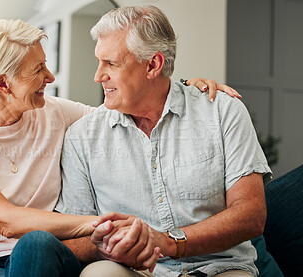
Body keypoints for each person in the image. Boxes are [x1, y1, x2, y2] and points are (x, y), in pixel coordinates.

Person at [0, 18, 232, 276]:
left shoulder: (53, 112)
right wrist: (99, 224)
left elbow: (122, 108)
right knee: (31, 241)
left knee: (36, 244)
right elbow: (7, 221)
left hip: (47, 255)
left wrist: (179, 88)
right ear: (3, 84)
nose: (50, 77)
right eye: (38, 69)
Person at [56, 5, 272, 277]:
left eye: (111, 63)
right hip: (134, 270)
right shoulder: (82, 136)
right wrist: (107, 247)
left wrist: (168, 242)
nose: (98, 76)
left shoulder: (223, 112)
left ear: (153, 65)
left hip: (219, 268)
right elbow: (71, 239)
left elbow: (251, 215)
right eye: (99, 62)